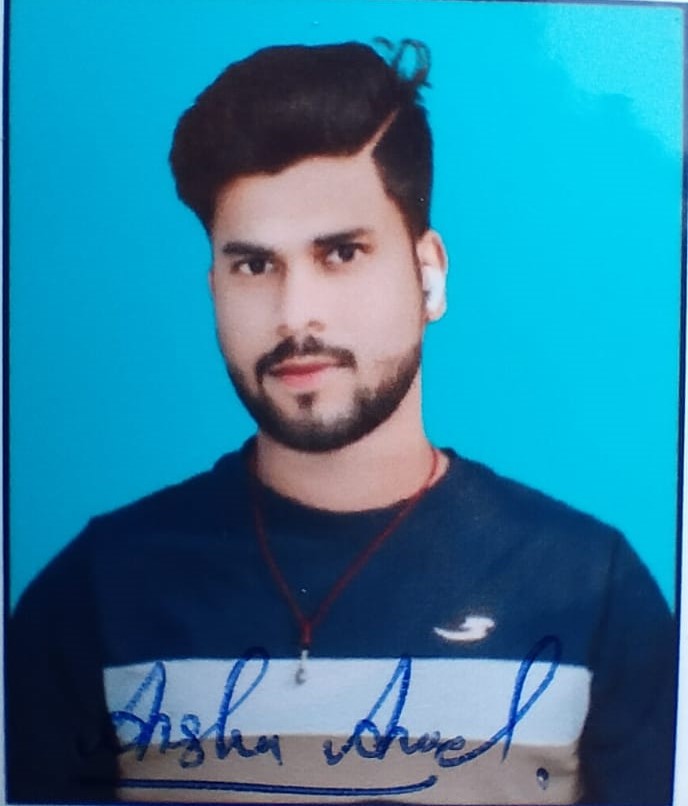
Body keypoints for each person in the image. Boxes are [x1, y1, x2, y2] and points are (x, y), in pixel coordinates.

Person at [7, 40, 676, 805]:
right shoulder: (96, 592)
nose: (296, 315)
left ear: (429, 275)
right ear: (215, 286)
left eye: (342, 254)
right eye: (255, 265)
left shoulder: (592, 590)